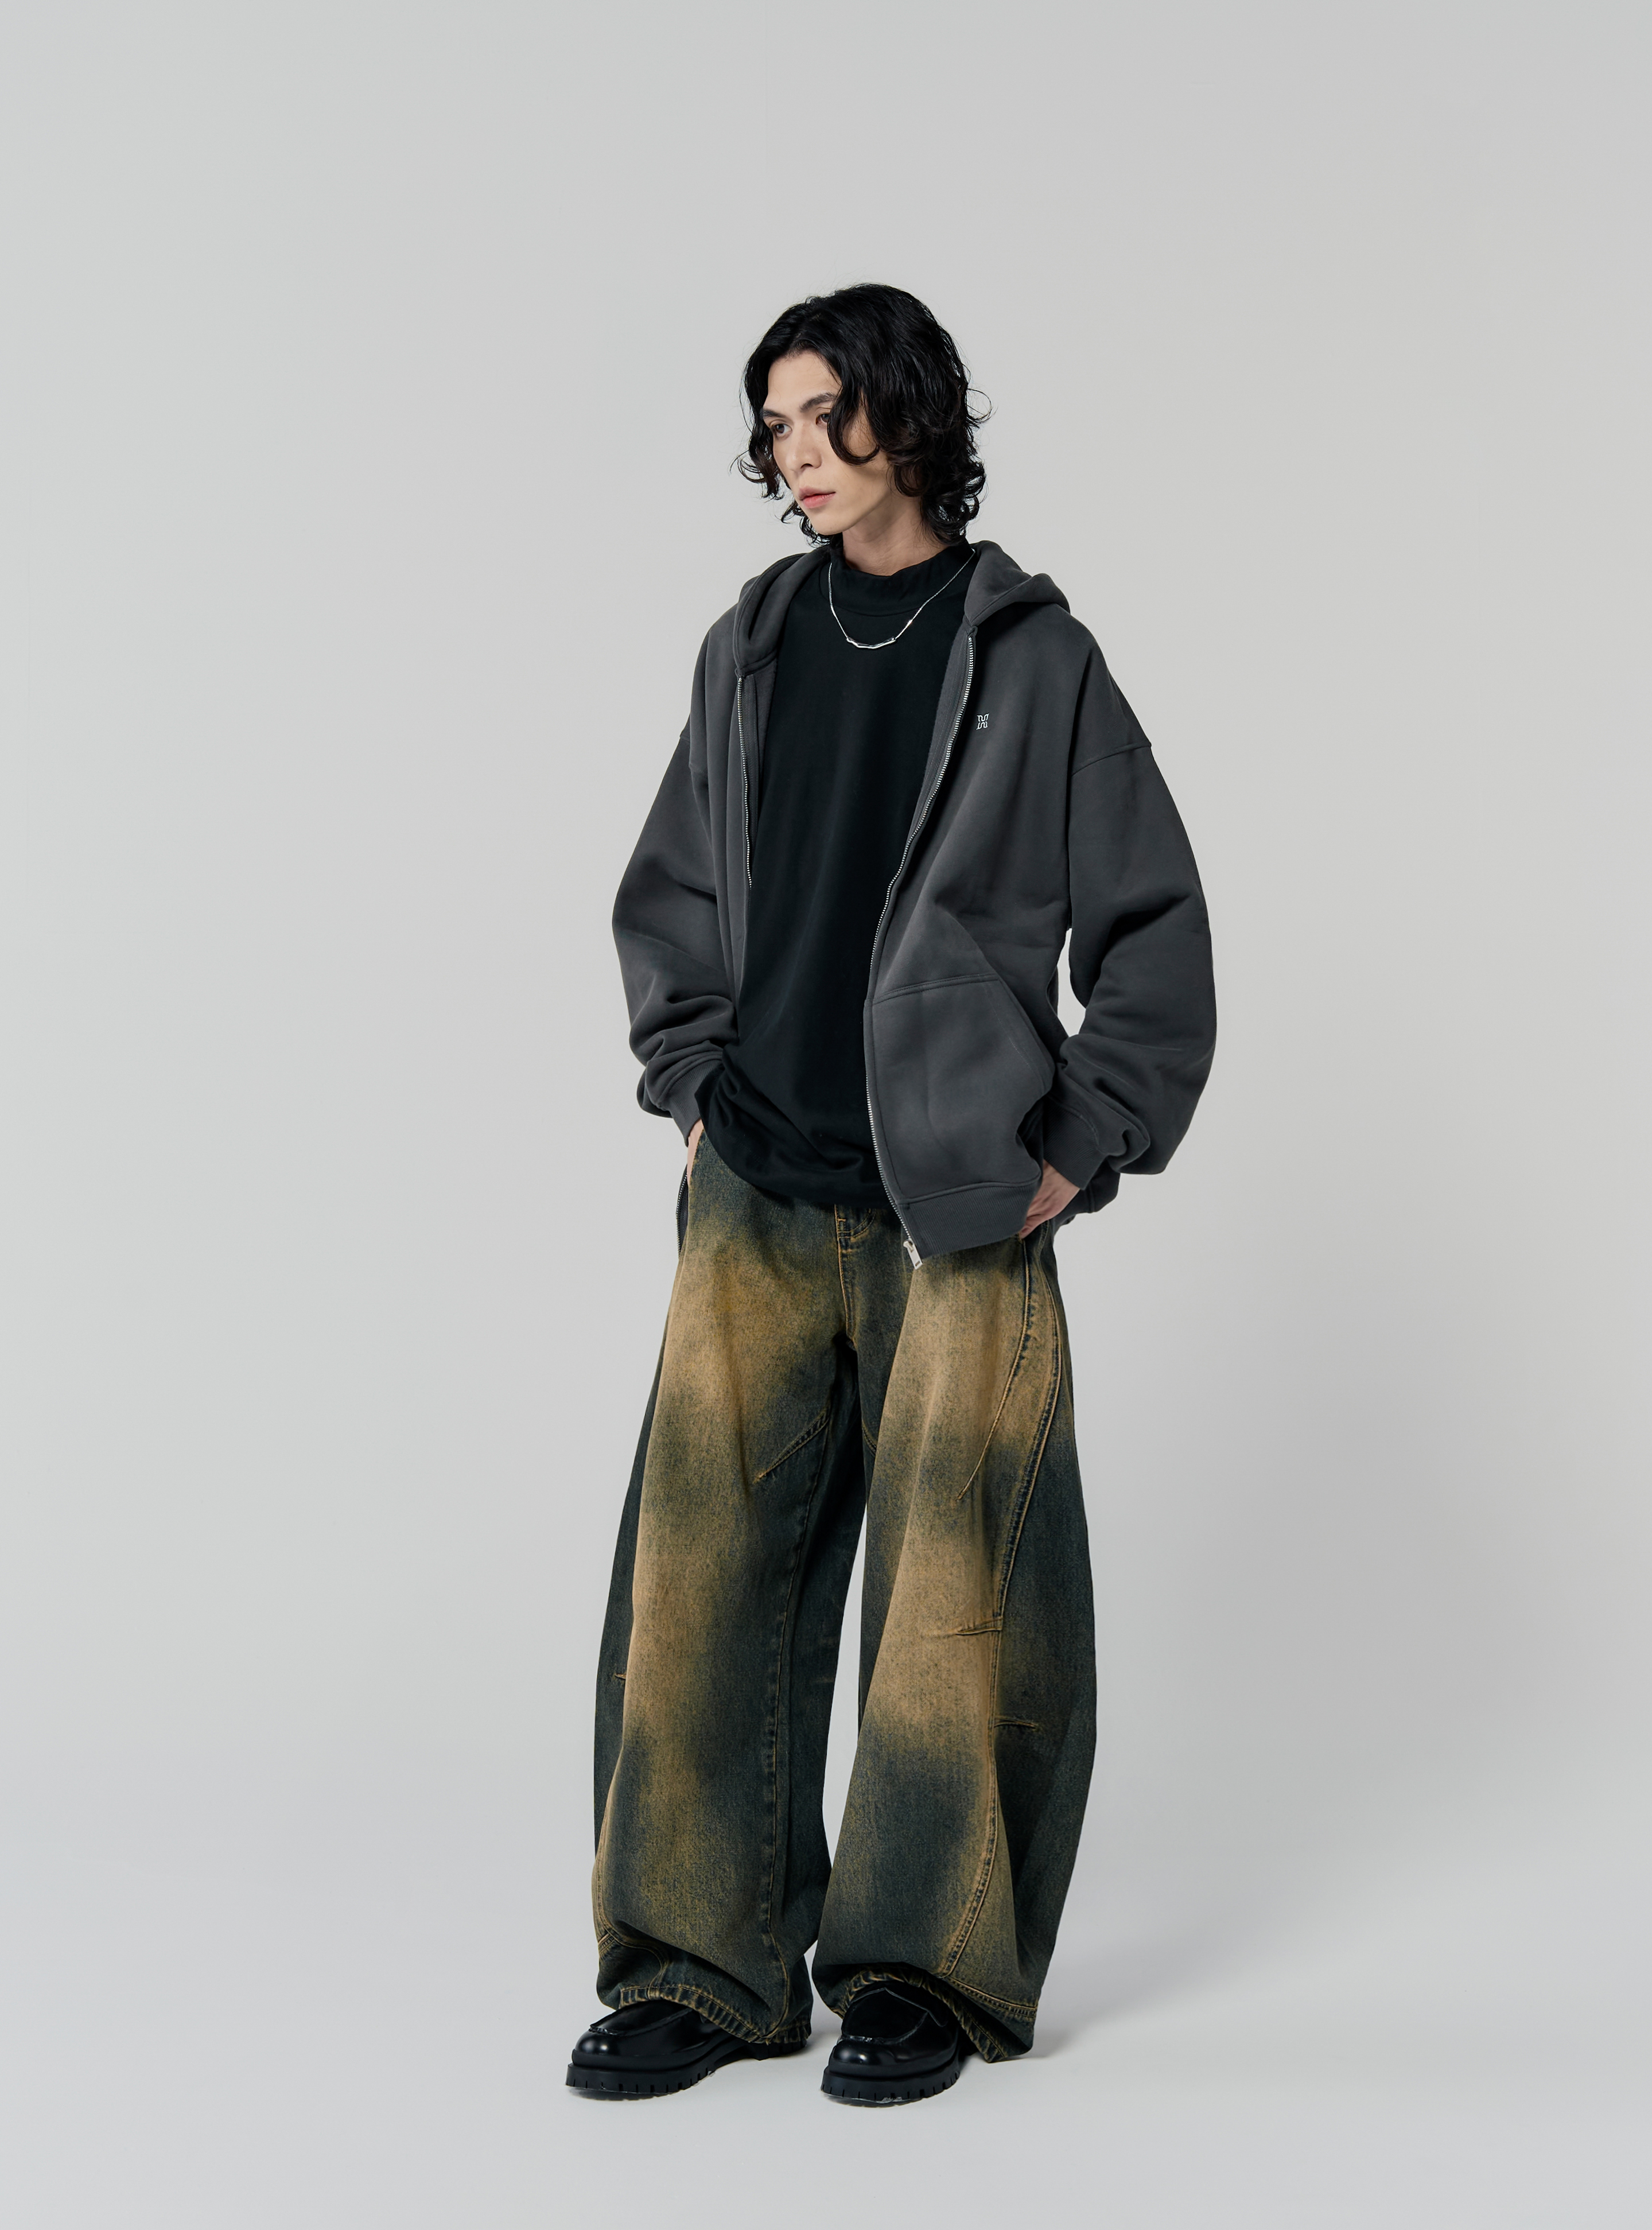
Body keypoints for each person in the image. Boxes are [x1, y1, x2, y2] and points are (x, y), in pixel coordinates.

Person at [568, 283, 1215, 2106]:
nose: (794, 453)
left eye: (821, 414)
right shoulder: (751, 642)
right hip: (756, 1182)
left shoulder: (1034, 660)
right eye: (772, 424)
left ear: (907, 414)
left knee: (959, 1595)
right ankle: (699, 1970)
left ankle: (922, 1972)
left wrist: (1076, 1141)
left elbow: (1156, 940)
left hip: (961, 1204)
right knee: (701, 1580)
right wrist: (690, 1083)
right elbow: (672, 891)